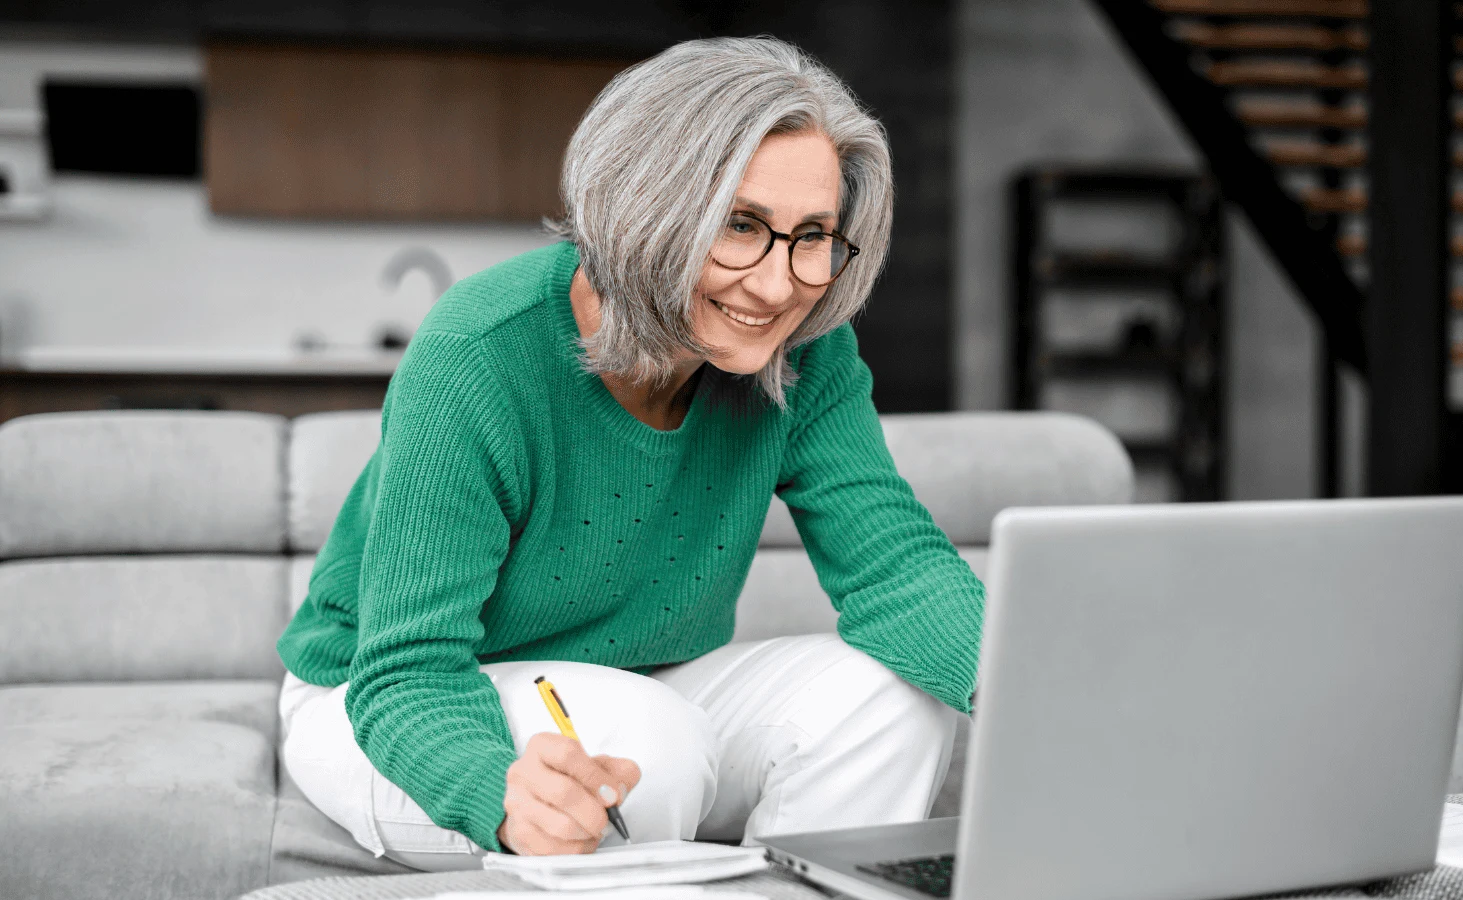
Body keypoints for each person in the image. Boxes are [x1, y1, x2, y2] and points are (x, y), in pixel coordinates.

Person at [275, 36, 985, 871]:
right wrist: (496, 791)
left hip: (646, 685)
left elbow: (895, 567)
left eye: (813, 236)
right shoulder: (479, 352)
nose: (778, 285)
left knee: (895, 699)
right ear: (648, 209)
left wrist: (1059, 694)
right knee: (653, 743)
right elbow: (408, 669)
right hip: (386, 705)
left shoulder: (806, 349)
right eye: (741, 227)